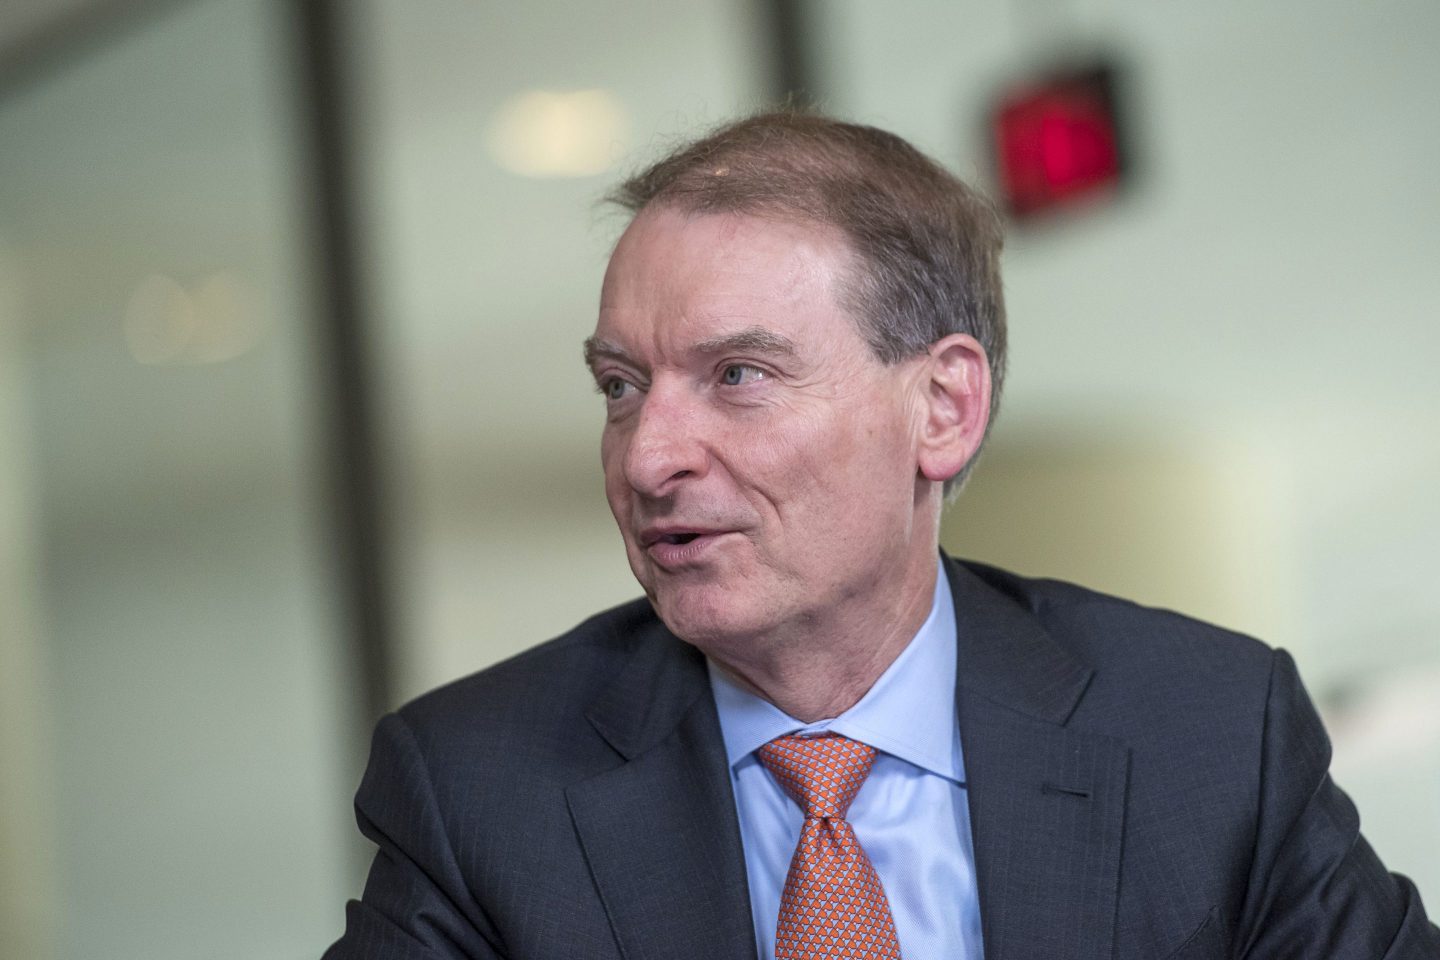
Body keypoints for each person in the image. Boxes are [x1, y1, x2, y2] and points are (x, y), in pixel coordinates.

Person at [323, 113, 1438, 960]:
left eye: (738, 375)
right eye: (621, 386)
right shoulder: (479, 791)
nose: (647, 457)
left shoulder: (1208, 734)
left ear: (943, 408)